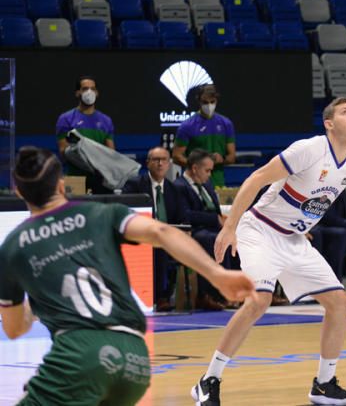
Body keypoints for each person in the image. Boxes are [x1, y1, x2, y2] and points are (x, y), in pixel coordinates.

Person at [191, 98, 346, 406]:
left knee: (341, 303)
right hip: (260, 230)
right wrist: (230, 226)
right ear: (329, 123)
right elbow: (257, 178)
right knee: (259, 300)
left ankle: (324, 384)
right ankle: (209, 380)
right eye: (345, 112)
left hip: (295, 240)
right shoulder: (309, 149)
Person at [0, 146, 254, 406]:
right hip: (135, 359)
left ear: (19, 193)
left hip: (80, 354)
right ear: (62, 186)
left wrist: (38, 300)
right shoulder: (101, 213)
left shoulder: (14, 245)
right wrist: (217, 274)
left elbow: (14, 328)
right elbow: (163, 234)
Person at [172, 148, 233, 311]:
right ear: (194, 168)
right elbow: (184, 215)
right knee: (211, 240)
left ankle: (238, 290)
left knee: (235, 239)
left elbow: (215, 210)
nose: (209, 174)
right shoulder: (178, 186)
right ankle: (211, 294)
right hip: (193, 231)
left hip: (212, 228)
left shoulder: (206, 184)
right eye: (207, 170)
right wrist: (215, 219)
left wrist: (224, 221)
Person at [123, 146, 182, 310]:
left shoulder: (173, 189)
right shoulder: (135, 184)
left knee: (168, 246)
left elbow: (181, 216)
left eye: (164, 160)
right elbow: (125, 211)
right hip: (141, 235)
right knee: (157, 248)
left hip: (165, 236)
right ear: (147, 163)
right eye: (156, 160)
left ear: (169, 164)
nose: (160, 164)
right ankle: (155, 297)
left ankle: (164, 296)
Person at [55, 75, 115, 194]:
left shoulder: (106, 120)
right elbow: (63, 151)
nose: (89, 92)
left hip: (101, 177)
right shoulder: (65, 119)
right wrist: (84, 155)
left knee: (101, 211)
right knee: (74, 211)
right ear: (77, 93)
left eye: (92, 89)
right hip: (74, 177)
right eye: (85, 88)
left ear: (97, 93)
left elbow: (111, 152)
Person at [172, 84, 235, 188]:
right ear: (199, 102)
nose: (209, 105)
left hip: (218, 184)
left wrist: (222, 159)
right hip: (193, 184)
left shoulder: (226, 124)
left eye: (212, 102)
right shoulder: (187, 126)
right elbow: (176, 156)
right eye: (205, 102)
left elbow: (232, 157)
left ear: (216, 101)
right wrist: (198, 164)